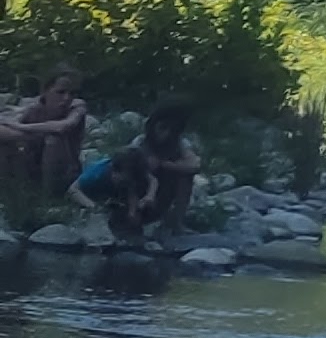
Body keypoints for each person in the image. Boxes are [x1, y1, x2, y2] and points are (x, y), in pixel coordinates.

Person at [101, 106, 200, 244]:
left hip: (162, 194)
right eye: (162, 128)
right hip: (138, 196)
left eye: (171, 129)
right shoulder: (140, 143)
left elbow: (194, 165)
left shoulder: (180, 143)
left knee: (185, 177)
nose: (166, 134)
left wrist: (164, 165)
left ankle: (177, 223)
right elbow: (126, 175)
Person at [0, 70, 88, 200]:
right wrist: (29, 135)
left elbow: (62, 127)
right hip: (33, 168)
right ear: (45, 92)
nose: (67, 98)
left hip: (65, 171)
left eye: (72, 93)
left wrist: (23, 128)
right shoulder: (35, 109)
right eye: (60, 92)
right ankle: (13, 192)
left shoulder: (77, 107)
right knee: (5, 145)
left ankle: (48, 197)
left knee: (53, 140)